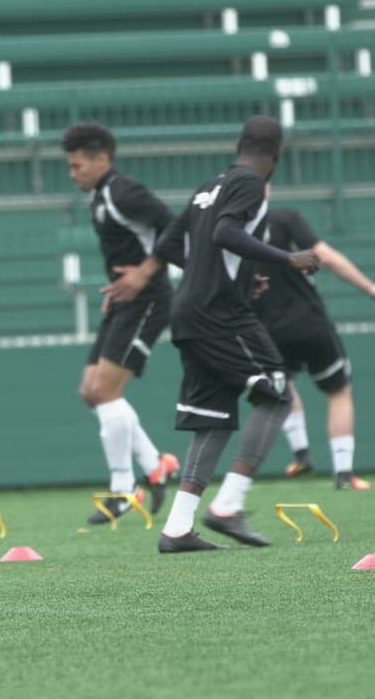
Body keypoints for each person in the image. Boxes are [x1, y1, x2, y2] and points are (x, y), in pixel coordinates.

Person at [102, 116, 320, 553]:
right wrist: (285, 259)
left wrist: (232, 273)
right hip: (221, 314)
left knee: (213, 420)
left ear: (239, 145)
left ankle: (177, 529)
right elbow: (226, 233)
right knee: (276, 393)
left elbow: (168, 245)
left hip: (189, 312)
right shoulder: (251, 184)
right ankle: (227, 505)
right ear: (276, 155)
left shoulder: (208, 186)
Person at [59, 122, 181, 525]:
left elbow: (177, 227)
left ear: (102, 159)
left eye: (77, 166)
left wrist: (144, 273)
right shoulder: (99, 197)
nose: (72, 173)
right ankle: (155, 464)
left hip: (147, 299)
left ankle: (124, 489)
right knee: (89, 391)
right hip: (123, 301)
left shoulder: (123, 191)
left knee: (104, 390)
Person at [251, 202, 375, 490]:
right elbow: (326, 257)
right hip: (309, 322)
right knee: (338, 391)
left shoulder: (231, 230)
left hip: (266, 328)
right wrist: (370, 287)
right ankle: (344, 472)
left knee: (283, 382)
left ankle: (301, 454)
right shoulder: (284, 217)